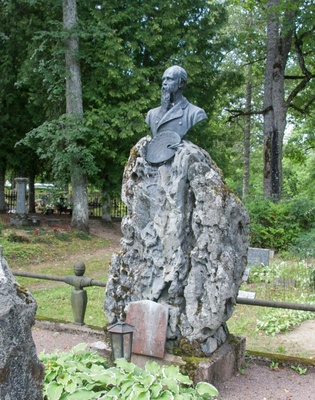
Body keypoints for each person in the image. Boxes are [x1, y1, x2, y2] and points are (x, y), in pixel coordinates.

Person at [145, 65, 207, 139]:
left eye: (169, 79)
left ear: (181, 83)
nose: (164, 83)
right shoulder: (151, 114)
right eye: (163, 79)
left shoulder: (195, 114)